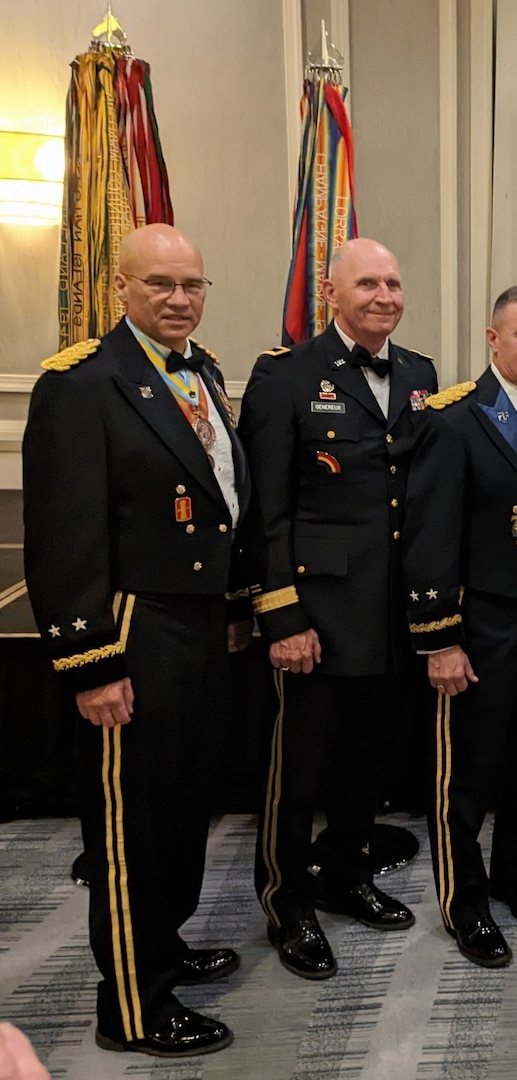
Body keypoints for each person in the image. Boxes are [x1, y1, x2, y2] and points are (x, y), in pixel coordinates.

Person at [23, 223, 249, 1057]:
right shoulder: (84, 383)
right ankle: (131, 1007)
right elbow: (65, 535)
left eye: (192, 285)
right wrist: (93, 665)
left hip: (191, 622)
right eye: (160, 284)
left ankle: (160, 948)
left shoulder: (203, 371)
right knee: (129, 829)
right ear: (120, 287)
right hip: (130, 629)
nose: (179, 299)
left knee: (182, 807)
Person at [241, 238, 435, 980]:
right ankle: (288, 901)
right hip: (316, 613)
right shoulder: (285, 376)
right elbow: (267, 507)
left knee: (366, 761)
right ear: (331, 293)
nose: (384, 295)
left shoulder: (418, 373)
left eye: (393, 282)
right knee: (298, 771)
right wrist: (282, 615)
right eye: (368, 284)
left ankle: (347, 875)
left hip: (387, 612)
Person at [401, 285, 517, 968]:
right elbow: (428, 536)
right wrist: (439, 637)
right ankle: (464, 902)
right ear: (493, 339)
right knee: (465, 773)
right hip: (477, 621)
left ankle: (516, 876)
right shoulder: (454, 418)